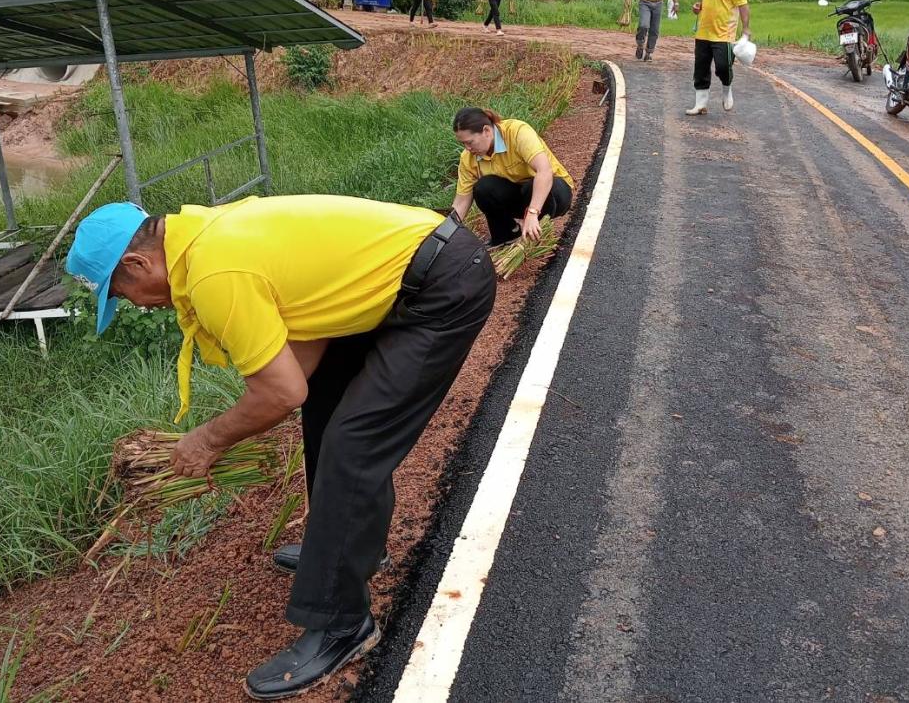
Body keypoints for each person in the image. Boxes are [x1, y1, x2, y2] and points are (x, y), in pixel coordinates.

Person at [65, 195, 495, 699]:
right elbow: (307, 331)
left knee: (353, 445)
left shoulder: (212, 275)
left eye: (121, 292)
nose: (135, 304)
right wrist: (265, 406)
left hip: (442, 287)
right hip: (405, 276)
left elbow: (280, 393)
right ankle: (347, 550)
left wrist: (207, 440)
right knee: (328, 412)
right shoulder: (206, 235)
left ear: (139, 263)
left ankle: (342, 625)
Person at [450, 107, 574, 246]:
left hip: (551, 192)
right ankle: (506, 237)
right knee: (483, 187)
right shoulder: (468, 158)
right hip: (519, 198)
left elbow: (544, 171)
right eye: (463, 144)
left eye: (470, 142)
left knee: (531, 186)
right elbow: (461, 202)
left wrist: (532, 213)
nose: (467, 148)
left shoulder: (517, 132)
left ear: (487, 131)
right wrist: (443, 232)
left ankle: (534, 229)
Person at [688, 0, 751, 116]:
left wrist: (746, 28)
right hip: (704, 31)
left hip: (724, 33)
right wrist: (698, 7)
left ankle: (727, 89)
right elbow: (711, 0)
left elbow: (743, 5)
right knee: (700, 68)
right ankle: (700, 104)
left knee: (723, 66)